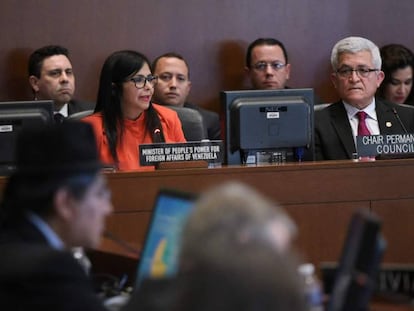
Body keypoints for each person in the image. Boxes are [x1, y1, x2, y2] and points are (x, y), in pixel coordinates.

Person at [0, 122, 112, 310]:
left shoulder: (11, 238)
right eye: (100, 194)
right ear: (65, 202)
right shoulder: (52, 271)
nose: (108, 208)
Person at [82, 50, 186, 171]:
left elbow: (184, 172)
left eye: (150, 79)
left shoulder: (169, 119)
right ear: (115, 88)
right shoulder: (90, 129)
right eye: (139, 80)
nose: (148, 87)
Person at [314, 36, 414, 160]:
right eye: (346, 71)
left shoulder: (406, 119)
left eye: (363, 70)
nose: (354, 79)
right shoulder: (317, 124)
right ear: (335, 80)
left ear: (379, 78)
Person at [152, 52, 221, 140]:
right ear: (151, 82)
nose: (173, 85)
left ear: (188, 87)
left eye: (180, 78)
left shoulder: (209, 121)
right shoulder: (137, 116)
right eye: (165, 77)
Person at [28, 45, 95, 121]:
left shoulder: (92, 114)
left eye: (68, 72)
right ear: (35, 83)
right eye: (55, 73)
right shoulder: (22, 118)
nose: (65, 79)